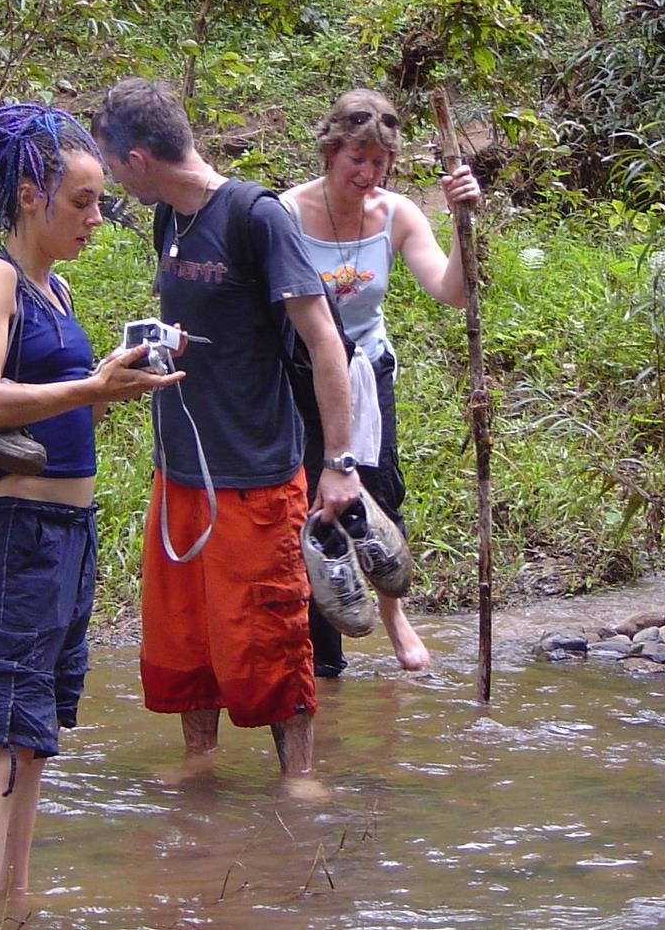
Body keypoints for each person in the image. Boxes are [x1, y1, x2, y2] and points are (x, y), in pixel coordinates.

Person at [0, 104, 180, 929]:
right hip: (18, 535)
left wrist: (113, 386)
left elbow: (53, 412)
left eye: (98, 201)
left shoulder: (57, 287)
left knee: (36, 733)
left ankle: (16, 903)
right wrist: (89, 386)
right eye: (80, 201)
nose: (95, 217)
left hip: (69, 534)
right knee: (3, 735)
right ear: (27, 196)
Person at [90, 78, 360, 783]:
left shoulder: (254, 215)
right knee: (185, 635)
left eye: (112, 165)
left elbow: (324, 340)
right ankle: (199, 759)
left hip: (257, 472)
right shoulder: (166, 221)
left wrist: (339, 461)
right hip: (179, 465)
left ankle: (298, 775)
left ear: (139, 157)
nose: (111, 180)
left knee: (267, 630)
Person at [280, 87, 482, 677]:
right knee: (311, 505)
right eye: (356, 162)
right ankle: (323, 645)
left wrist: (463, 221)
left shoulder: (398, 214)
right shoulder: (288, 213)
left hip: (368, 371)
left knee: (379, 493)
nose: (367, 175)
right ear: (330, 153)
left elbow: (450, 292)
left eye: (379, 164)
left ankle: (395, 617)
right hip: (302, 377)